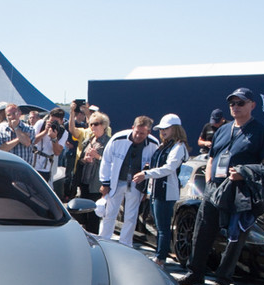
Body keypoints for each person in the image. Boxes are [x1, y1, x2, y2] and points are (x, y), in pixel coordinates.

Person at [178, 87, 264, 285]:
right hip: (215, 188)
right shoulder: (223, 129)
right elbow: (212, 157)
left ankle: (223, 279)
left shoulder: (262, 131)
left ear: (252, 105)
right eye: (232, 103)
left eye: (241, 103)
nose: (235, 107)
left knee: (234, 236)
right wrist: (209, 180)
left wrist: (244, 173)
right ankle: (195, 272)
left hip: (240, 190)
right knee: (202, 230)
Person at [132, 114, 189, 267]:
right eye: (161, 129)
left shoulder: (178, 146)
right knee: (159, 227)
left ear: (175, 129)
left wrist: (146, 174)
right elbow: (156, 166)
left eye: (166, 128)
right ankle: (159, 255)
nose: (162, 132)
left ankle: (160, 258)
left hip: (166, 192)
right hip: (156, 191)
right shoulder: (165, 145)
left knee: (163, 228)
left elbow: (169, 168)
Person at [98, 116, 160, 247]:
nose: (138, 135)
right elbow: (106, 161)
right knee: (110, 212)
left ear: (148, 133)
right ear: (133, 128)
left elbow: (154, 168)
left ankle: (125, 244)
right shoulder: (118, 139)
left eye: (142, 133)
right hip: (117, 180)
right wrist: (105, 182)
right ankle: (103, 241)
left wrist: (146, 190)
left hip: (136, 184)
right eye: (136, 131)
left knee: (131, 216)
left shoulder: (154, 144)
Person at [73, 111, 111, 233]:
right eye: (91, 124)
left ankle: (93, 238)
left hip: (96, 184)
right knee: (83, 213)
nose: (93, 127)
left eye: (96, 124)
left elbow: (111, 164)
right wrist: (85, 160)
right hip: (85, 181)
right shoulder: (89, 141)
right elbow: (81, 160)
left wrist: (98, 157)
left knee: (94, 214)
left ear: (104, 125)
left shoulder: (109, 142)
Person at [32, 108, 68, 193]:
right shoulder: (41, 123)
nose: (52, 124)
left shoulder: (63, 132)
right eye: (51, 121)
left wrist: (54, 138)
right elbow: (32, 141)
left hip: (45, 166)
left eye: (55, 122)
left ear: (61, 121)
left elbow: (57, 152)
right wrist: (45, 131)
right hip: (32, 162)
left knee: (41, 191)